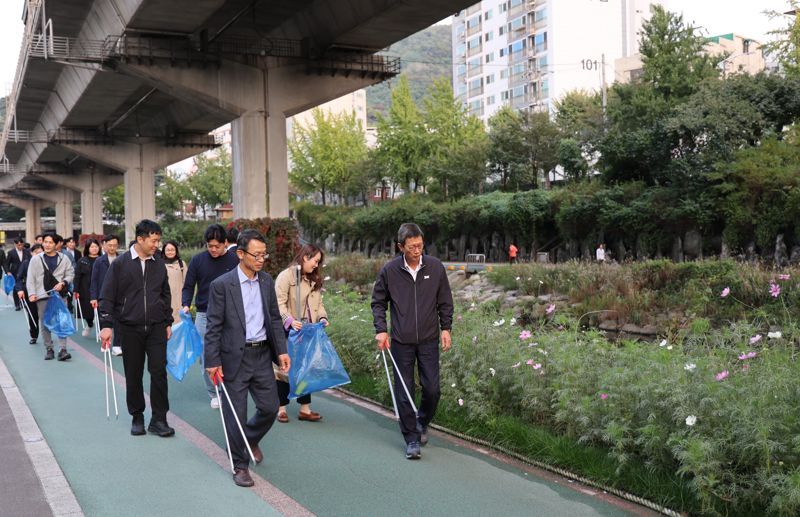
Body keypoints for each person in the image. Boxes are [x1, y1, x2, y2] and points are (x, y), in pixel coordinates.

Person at [204, 229, 290, 487]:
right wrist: (212, 361)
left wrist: (282, 350)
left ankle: (248, 439)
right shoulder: (222, 285)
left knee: (269, 407)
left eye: (264, 254)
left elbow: (274, 318)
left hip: (262, 354)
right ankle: (239, 465)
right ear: (240, 254)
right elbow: (214, 326)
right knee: (235, 413)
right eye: (257, 254)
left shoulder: (266, 281)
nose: (261, 259)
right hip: (233, 358)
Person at [371, 223, 453, 460]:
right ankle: (411, 439)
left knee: (433, 389)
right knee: (404, 391)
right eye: (411, 247)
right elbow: (378, 302)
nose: (417, 250)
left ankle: (421, 421)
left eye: (420, 245)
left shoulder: (435, 268)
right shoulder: (390, 271)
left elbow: (445, 301)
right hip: (401, 341)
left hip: (428, 339)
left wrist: (446, 328)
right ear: (401, 247)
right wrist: (381, 330)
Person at [99, 220, 174, 438]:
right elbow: (107, 296)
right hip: (129, 327)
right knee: (133, 373)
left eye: (158, 240)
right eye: (153, 240)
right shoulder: (121, 264)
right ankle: (137, 416)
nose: (156, 245)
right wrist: (106, 325)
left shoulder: (158, 262)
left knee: (159, 372)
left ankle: (159, 419)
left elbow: (164, 294)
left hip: (156, 327)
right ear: (140, 239)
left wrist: (167, 320)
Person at [182, 224, 239, 408]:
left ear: (225, 243)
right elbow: (189, 285)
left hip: (230, 314)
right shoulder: (198, 261)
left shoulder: (235, 260)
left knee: (230, 352)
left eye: (217, 246)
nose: (213, 250)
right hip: (204, 314)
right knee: (207, 356)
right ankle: (214, 392)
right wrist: (185, 303)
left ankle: (229, 389)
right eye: (210, 246)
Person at [274, 244, 329, 423]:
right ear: (305, 257)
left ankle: (305, 409)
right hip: (289, 332)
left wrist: (322, 318)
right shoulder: (286, 276)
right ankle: (280, 408)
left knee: (306, 369)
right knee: (284, 370)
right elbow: (278, 302)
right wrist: (288, 320)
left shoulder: (314, 279)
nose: (316, 265)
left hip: (308, 331)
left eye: (318, 262)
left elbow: (318, 304)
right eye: (315, 261)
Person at [26, 233, 75, 361]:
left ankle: (63, 350)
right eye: (45, 242)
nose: (47, 245)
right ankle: (49, 349)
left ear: (57, 244)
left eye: (50, 242)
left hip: (59, 295)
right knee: (45, 322)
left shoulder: (64, 259)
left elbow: (70, 274)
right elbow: (30, 278)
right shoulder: (36, 259)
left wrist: (63, 282)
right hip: (41, 295)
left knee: (62, 321)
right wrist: (31, 293)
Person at [91, 235, 122, 356]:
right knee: (105, 319)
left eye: (115, 245)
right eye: (110, 245)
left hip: (120, 296)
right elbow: (93, 280)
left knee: (119, 320)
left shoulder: (122, 259)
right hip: (104, 296)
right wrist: (93, 297)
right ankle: (105, 343)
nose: (112, 247)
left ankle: (117, 345)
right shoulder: (99, 261)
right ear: (104, 245)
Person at [16, 243, 43, 345]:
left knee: (45, 314)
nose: (38, 255)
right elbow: (18, 278)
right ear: (32, 253)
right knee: (33, 314)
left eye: (41, 252)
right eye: (36, 253)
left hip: (43, 292)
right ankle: (34, 335)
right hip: (29, 292)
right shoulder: (26, 263)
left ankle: (47, 336)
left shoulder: (46, 262)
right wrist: (20, 290)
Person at [73, 239, 100, 337]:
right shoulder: (82, 261)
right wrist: (76, 290)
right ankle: (89, 324)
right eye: (92, 247)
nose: (94, 249)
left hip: (100, 289)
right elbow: (77, 276)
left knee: (102, 311)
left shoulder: (102, 259)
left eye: (96, 246)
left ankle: (101, 330)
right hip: (85, 289)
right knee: (88, 312)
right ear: (88, 248)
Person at [162, 241, 186, 324]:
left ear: (176, 251)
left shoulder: (181, 264)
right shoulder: (160, 264)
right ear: (164, 251)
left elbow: (186, 283)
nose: (170, 252)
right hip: (166, 302)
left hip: (180, 301)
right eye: (168, 250)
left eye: (172, 250)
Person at [6, 238, 31, 311]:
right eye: (18, 245)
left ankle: (24, 303)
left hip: (25, 272)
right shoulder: (11, 252)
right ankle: (17, 304)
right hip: (14, 272)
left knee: (25, 287)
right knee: (16, 288)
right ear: (15, 244)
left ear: (23, 244)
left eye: (21, 244)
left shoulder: (27, 251)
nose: (20, 246)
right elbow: (7, 263)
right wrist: (8, 272)